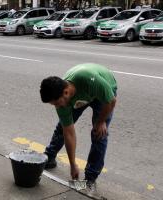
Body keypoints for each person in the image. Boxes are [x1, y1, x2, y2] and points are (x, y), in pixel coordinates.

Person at [40, 63, 117, 194]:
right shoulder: (62, 102)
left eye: (57, 103)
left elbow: (111, 101)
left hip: (104, 94)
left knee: (99, 133)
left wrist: (101, 122)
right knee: (62, 128)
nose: (57, 107)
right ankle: (50, 156)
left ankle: (90, 179)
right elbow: (69, 133)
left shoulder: (90, 80)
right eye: (54, 105)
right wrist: (73, 164)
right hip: (81, 95)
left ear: (66, 92)